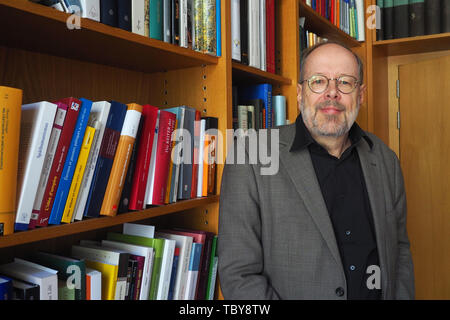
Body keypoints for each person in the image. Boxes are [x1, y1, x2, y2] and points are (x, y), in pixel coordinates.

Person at [217, 41, 415, 300]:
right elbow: (238, 276)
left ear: (361, 95)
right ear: (300, 93)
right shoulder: (251, 155)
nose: (332, 93)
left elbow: (398, 253)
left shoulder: (386, 159)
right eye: (318, 81)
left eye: (345, 82)